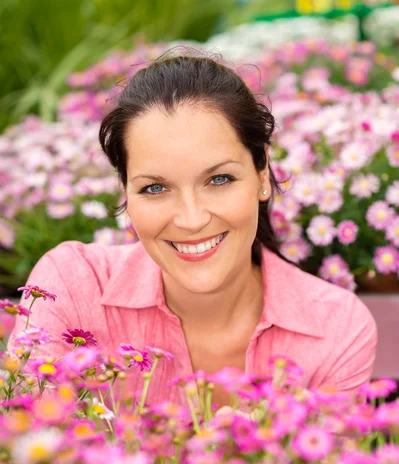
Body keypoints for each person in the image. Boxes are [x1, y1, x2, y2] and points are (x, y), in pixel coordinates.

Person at [9, 51, 377, 407]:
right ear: (126, 192)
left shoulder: (335, 328)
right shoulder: (72, 286)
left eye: (219, 179)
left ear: (262, 173)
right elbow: (28, 441)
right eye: (155, 188)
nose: (191, 218)